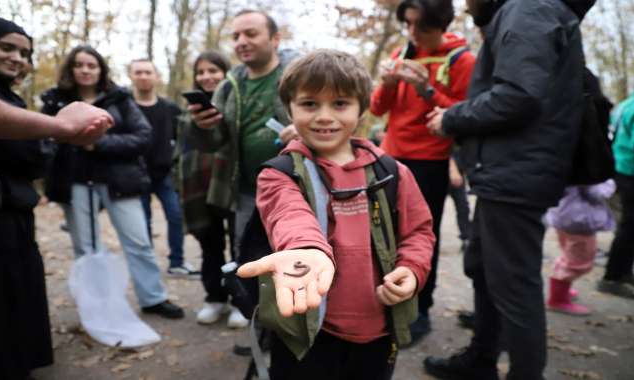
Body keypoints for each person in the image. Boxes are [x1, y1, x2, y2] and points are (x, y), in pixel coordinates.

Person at [236, 49, 434, 380]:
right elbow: (289, 215)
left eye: (340, 103)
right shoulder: (279, 174)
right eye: (310, 104)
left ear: (361, 110)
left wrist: (412, 271)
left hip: (380, 330)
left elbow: (419, 232)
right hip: (306, 330)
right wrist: (307, 251)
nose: (324, 116)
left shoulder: (394, 172)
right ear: (290, 109)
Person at [424, 0, 590, 379]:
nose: (466, 5)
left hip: (517, 172)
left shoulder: (528, 10)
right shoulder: (531, 11)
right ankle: (482, 358)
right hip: (510, 170)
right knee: (483, 266)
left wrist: (452, 118)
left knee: (515, 286)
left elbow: (518, 95)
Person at [42, 45, 184, 318]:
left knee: (139, 242)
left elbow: (143, 136)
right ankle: (98, 304)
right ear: (71, 69)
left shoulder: (119, 99)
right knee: (86, 246)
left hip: (120, 180)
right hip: (75, 183)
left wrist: (99, 144)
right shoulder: (56, 101)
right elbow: (45, 141)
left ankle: (153, 298)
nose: (85, 70)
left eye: (92, 65)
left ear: (101, 70)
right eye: (80, 65)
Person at [369, 0, 476, 345]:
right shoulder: (403, 51)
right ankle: (381, 298)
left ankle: (420, 309)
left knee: (419, 237)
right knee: (382, 232)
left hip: (430, 162)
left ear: (442, 24)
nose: (413, 34)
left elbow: (466, 115)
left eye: (422, 27)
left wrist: (425, 90)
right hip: (388, 158)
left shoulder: (462, 60)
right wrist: (387, 82)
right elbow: (376, 108)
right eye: (409, 25)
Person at [186, 9, 299, 328]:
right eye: (236, 36)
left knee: (293, 249)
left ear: (275, 39)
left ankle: (297, 317)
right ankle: (252, 314)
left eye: (251, 33)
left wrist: (302, 133)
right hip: (247, 189)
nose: (241, 42)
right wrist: (204, 126)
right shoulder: (230, 83)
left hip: (295, 185)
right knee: (247, 250)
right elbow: (216, 142)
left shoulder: (298, 74)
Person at [0, 14, 53, 379]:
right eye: (6, 47)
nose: (17, 59)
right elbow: (26, 152)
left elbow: (34, 156)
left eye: (25, 53)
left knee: (18, 295)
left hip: (15, 214)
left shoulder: (7, 97)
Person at [174, 51, 243, 326]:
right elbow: (180, 151)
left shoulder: (238, 104)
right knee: (210, 245)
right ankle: (215, 298)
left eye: (213, 70)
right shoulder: (187, 113)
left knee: (240, 246)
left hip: (232, 185)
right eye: (201, 72)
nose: (206, 77)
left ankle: (241, 301)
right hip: (199, 188)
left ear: (226, 73)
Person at [128, 59, 196, 278]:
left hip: (165, 175)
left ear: (156, 76)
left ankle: (177, 262)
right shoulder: (126, 107)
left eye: (148, 72)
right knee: (142, 222)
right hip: (136, 176)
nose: (143, 76)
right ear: (131, 76)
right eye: (138, 72)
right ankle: (147, 267)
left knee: (176, 216)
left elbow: (185, 139)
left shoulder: (170, 108)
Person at [597, 65, 634, 300]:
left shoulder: (627, 103)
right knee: (630, 226)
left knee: (630, 225)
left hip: (621, 168)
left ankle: (625, 273)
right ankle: (612, 277)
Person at [544, 180, 616, 315]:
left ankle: (561, 290)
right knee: (579, 262)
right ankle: (558, 299)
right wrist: (609, 183)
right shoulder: (588, 165)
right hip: (579, 220)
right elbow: (597, 192)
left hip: (562, 214)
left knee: (568, 255)